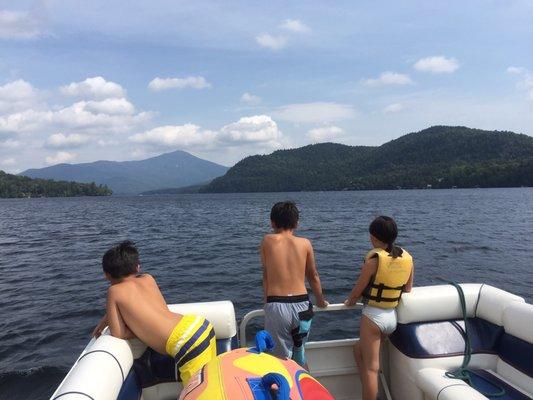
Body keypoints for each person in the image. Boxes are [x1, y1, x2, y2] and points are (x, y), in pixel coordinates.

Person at [92, 241, 217, 386]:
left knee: (198, 394)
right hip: (200, 326)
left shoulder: (114, 291)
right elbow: (160, 308)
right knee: (210, 385)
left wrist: (139, 330)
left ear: (106, 275)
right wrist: (104, 321)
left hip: (185, 343)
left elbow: (118, 333)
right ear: (137, 267)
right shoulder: (148, 279)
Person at [344, 216, 414, 400]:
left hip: (373, 318)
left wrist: (350, 300)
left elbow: (358, 289)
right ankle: (371, 391)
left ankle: (370, 394)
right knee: (358, 351)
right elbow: (407, 288)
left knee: (371, 369)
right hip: (392, 317)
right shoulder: (407, 258)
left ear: (374, 238)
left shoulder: (373, 261)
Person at [260, 201, 328, 367]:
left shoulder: (267, 241)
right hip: (302, 306)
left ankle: (284, 391)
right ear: (296, 223)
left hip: (277, 304)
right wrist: (320, 301)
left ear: (272, 222)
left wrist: (266, 303)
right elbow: (314, 276)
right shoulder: (305, 243)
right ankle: (304, 388)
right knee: (300, 354)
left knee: (279, 361)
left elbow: (266, 275)